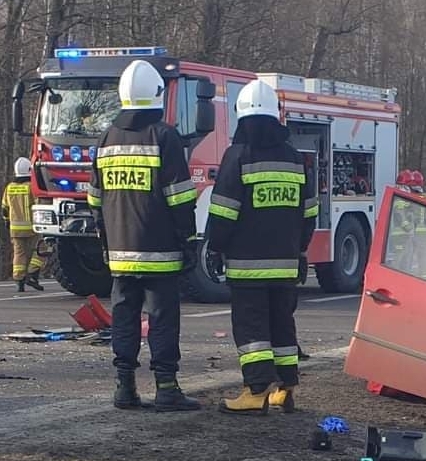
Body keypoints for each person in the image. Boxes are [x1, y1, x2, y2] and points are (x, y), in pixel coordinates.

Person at [88, 60, 200, 412]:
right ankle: (166, 387)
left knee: (124, 316)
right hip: (161, 250)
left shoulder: (106, 138)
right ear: (156, 95)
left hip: (120, 252)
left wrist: (105, 241)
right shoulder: (165, 137)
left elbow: (94, 200)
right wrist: (189, 240)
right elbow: (180, 198)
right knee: (162, 318)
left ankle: (125, 387)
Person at [207, 80, 317, 415]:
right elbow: (309, 213)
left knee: (252, 329)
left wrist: (215, 246)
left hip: (247, 264)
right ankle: (285, 389)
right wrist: (298, 250)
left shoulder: (238, 156)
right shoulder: (296, 159)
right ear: (276, 116)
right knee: (282, 325)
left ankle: (255, 391)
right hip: (285, 264)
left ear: (241, 116)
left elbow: (224, 210)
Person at [2, 157, 45, 293]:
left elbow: (4, 207)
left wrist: (7, 221)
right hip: (32, 226)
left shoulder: (9, 188)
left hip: (15, 228)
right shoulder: (31, 187)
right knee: (42, 249)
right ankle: (32, 274)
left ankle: (19, 281)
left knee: (19, 254)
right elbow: (39, 203)